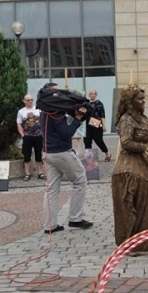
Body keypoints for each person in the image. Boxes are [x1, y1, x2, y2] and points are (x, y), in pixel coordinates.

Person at [112, 86, 148, 255]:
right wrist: (146, 147)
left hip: (146, 166)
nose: (143, 102)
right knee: (137, 205)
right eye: (139, 99)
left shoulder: (141, 118)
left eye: (144, 98)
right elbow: (126, 142)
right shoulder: (126, 119)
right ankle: (137, 243)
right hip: (131, 167)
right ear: (130, 102)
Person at [40, 83, 93, 234]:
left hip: (48, 153)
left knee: (51, 189)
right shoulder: (56, 113)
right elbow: (66, 133)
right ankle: (75, 219)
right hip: (61, 153)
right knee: (80, 180)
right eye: (57, 92)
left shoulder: (45, 110)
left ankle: (49, 225)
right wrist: (77, 118)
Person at [16, 94, 44, 180]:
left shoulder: (38, 110)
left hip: (38, 135)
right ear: (24, 101)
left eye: (31, 100)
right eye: (28, 100)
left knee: (39, 154)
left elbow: (43, 121)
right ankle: (27, 174)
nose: (30, 101)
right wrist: (22, 135)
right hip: (27, 136)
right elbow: (19, 124)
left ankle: (40, 173)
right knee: (27, 155)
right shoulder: (21, 112)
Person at [84, 89, 111, 162]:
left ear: (96, 95)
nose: (93, 95)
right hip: (87, 123)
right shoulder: (86, 103)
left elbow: (102, 115)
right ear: (89, 95)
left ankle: (107, 153)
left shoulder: (99, 103)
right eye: (91, 94)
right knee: (87, 140)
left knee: (98, 140)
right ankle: (89, 158)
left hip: (96, 122)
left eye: (94, 94)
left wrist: (104, 125)